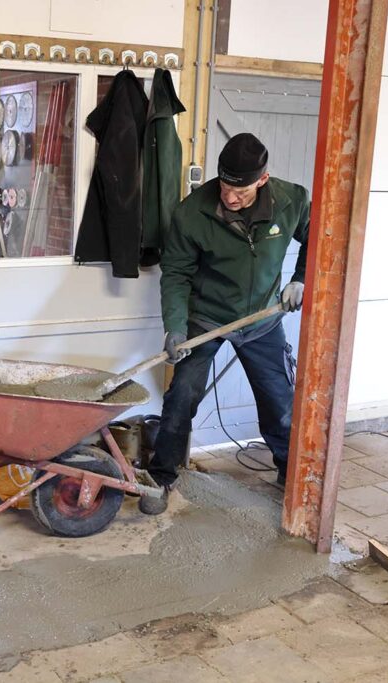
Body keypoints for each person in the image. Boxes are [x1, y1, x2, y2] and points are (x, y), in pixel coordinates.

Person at [140, 133, 310, 515]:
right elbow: (176, 273)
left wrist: (301, 278)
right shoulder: (192, 213)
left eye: (241, 190)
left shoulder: (290, 201)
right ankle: (162, 475)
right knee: (183, 393)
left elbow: (318, 237)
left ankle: (288, 472)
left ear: (262, 180)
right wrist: (176, 327)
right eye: (225, 185)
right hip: (207, 318)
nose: (230, 197)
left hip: (263, 320)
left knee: (278, 400)